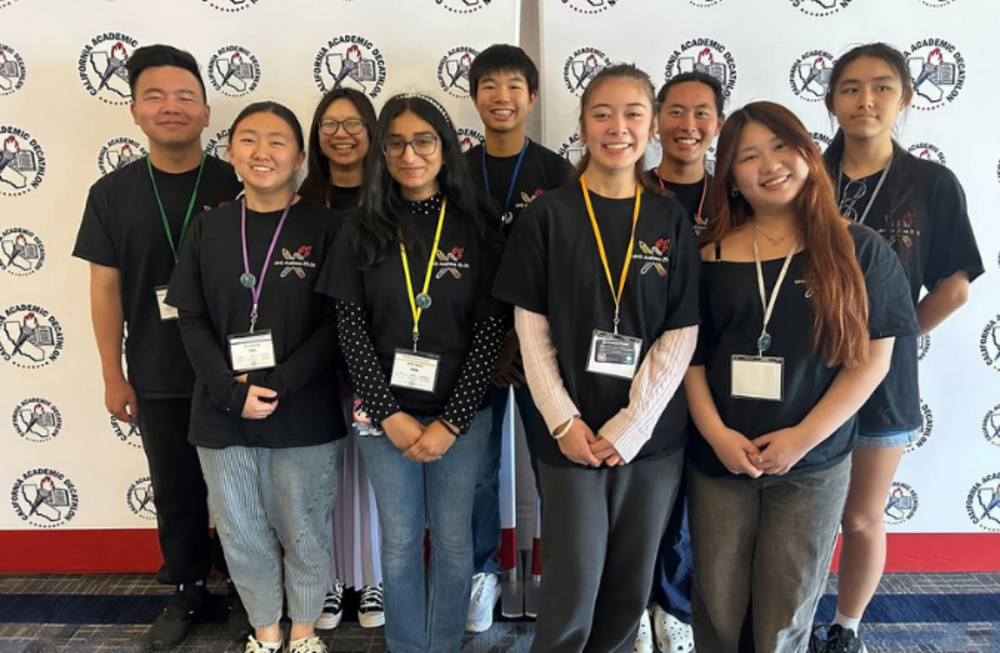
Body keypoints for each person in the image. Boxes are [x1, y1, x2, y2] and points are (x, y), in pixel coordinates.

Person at [684, 100, 917, 653]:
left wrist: (801, 438)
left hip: (811, 462)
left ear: (808, 153)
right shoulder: (708, 252)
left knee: (788, 605)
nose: (770, 164)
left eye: (781, 146)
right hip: (720, 456)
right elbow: (689, 359)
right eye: (748, 156)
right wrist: (717, 436)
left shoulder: (858, 249)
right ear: (732, 178)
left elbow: (872, 360)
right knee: (716, 601)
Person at [494, 63, 701, 653]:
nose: (619, 127)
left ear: (653, 124)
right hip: (569, 437)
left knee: (628, 587)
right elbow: (532, 333)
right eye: (602, 114)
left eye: (634, 113)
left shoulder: (669, 219)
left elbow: (680, 332)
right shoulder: (547, 216)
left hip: (653, 441)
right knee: (573, 583)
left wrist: (633, 424)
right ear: (583, 125)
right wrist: (563, 419)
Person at [316, 94, 506, 653]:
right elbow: (349, 331)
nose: (410, 154)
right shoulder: (359, 228)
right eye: (395, 142)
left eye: (424, 141)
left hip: (462, 415)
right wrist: (389, 414)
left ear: (446, 150)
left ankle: (442, 645)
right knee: (398, 542)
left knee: (451, 542)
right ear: (381, 152)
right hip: (384, 417)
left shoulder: (480, 226)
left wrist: (451, 421)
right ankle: (405, 645)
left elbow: (491, 334)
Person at [812, 43, 984, 653]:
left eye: (882, 87)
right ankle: (787, 612)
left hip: (883, 379)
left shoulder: (931, 183)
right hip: (801, 371)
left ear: (906, 97)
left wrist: (888, 336)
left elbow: (955, 288)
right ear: (831, 100)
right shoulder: (805, 172)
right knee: (799, 515)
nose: (866, 100)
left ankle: (846, 628)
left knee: (860, 516)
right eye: (851, 88)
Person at [71, 44, 244, 650]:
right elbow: (105, 287)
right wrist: (111, 374)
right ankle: (188, 589)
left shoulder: (239, 181)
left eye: (185, 96)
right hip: (159, 368)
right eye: (155, 96)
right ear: (134, 111)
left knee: (248, 484)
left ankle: (254, 591)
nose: (171, 107)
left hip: (238, 369)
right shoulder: (112, 193)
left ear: (205, 112)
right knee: (174, 488)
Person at [166, 101, 346, 653]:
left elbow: (336, 322)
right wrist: (228, 391)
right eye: (248, 139)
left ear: (298, 157)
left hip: (303, 412)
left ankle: (305, 632)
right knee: (242, 533)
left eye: (277, 141)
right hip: (221, 414)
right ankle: (266, 633)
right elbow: (190, 317)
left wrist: (282, 383)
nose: (261, 151)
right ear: (230, 151)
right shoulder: (208, 228)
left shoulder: (329, 226)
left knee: (305, 530)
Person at [462, 42, 574, 633]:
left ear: (532, 98)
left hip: (537, 348)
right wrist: (490, 342)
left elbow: (568, 269)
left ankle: (559, 577)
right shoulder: (453, 170)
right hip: (470, 348)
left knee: (552, 465)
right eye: (489, 86)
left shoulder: (556, 173)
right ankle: (483, 575)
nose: (501, 98)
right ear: (475, 96)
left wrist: (521, 342)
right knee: (477, 473)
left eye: (513, 87)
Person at [636, 70, 725, 653]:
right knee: (640, 493)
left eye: (701, 113)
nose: (686, 125)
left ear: (717, 124)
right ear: (654, 120)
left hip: (714, 368)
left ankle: (674, 603)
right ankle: (635, 602)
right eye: (674, 111)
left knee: (693, 494)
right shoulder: (629, 185)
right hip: (636, 366)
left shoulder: (734, 194)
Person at [299, 87, 385, 631]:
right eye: (330, 124)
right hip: (312, 361)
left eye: (354, 123)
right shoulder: (300, 200)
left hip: (379, 364)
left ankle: (372, 579)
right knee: (320, 479)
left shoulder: (390, 197)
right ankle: (330, 581)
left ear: (372, 132)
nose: (342, 133)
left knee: (375, 477)